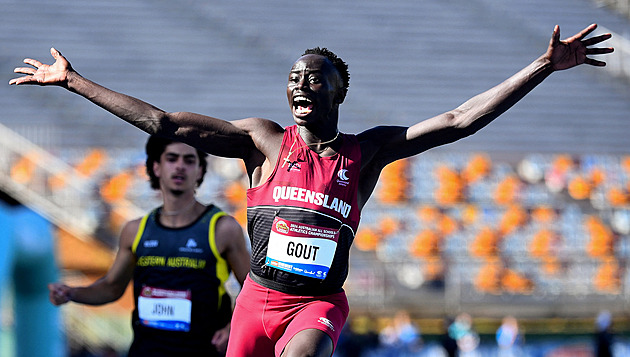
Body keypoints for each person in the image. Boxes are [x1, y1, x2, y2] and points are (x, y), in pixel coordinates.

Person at [10, 23, 613, 357]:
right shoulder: (262, 143)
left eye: (315, 79)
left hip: (315, 307)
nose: (301, 84)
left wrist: (541, 66)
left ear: (337, 94)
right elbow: (166, 123)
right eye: (295, 76)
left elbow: (459, 121)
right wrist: (73, 82)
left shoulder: (366, 151)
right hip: (254, 304)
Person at [46, 135, 251, 356]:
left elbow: (253, 289)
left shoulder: (222, 228)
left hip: (202, 349)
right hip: (147, 350)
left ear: (200, 171)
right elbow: (112, 288)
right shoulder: (135, 230)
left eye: (189, 160)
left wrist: (233, 328)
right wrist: (72, 293)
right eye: (172, 159)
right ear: (156, 168)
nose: (180, 166)